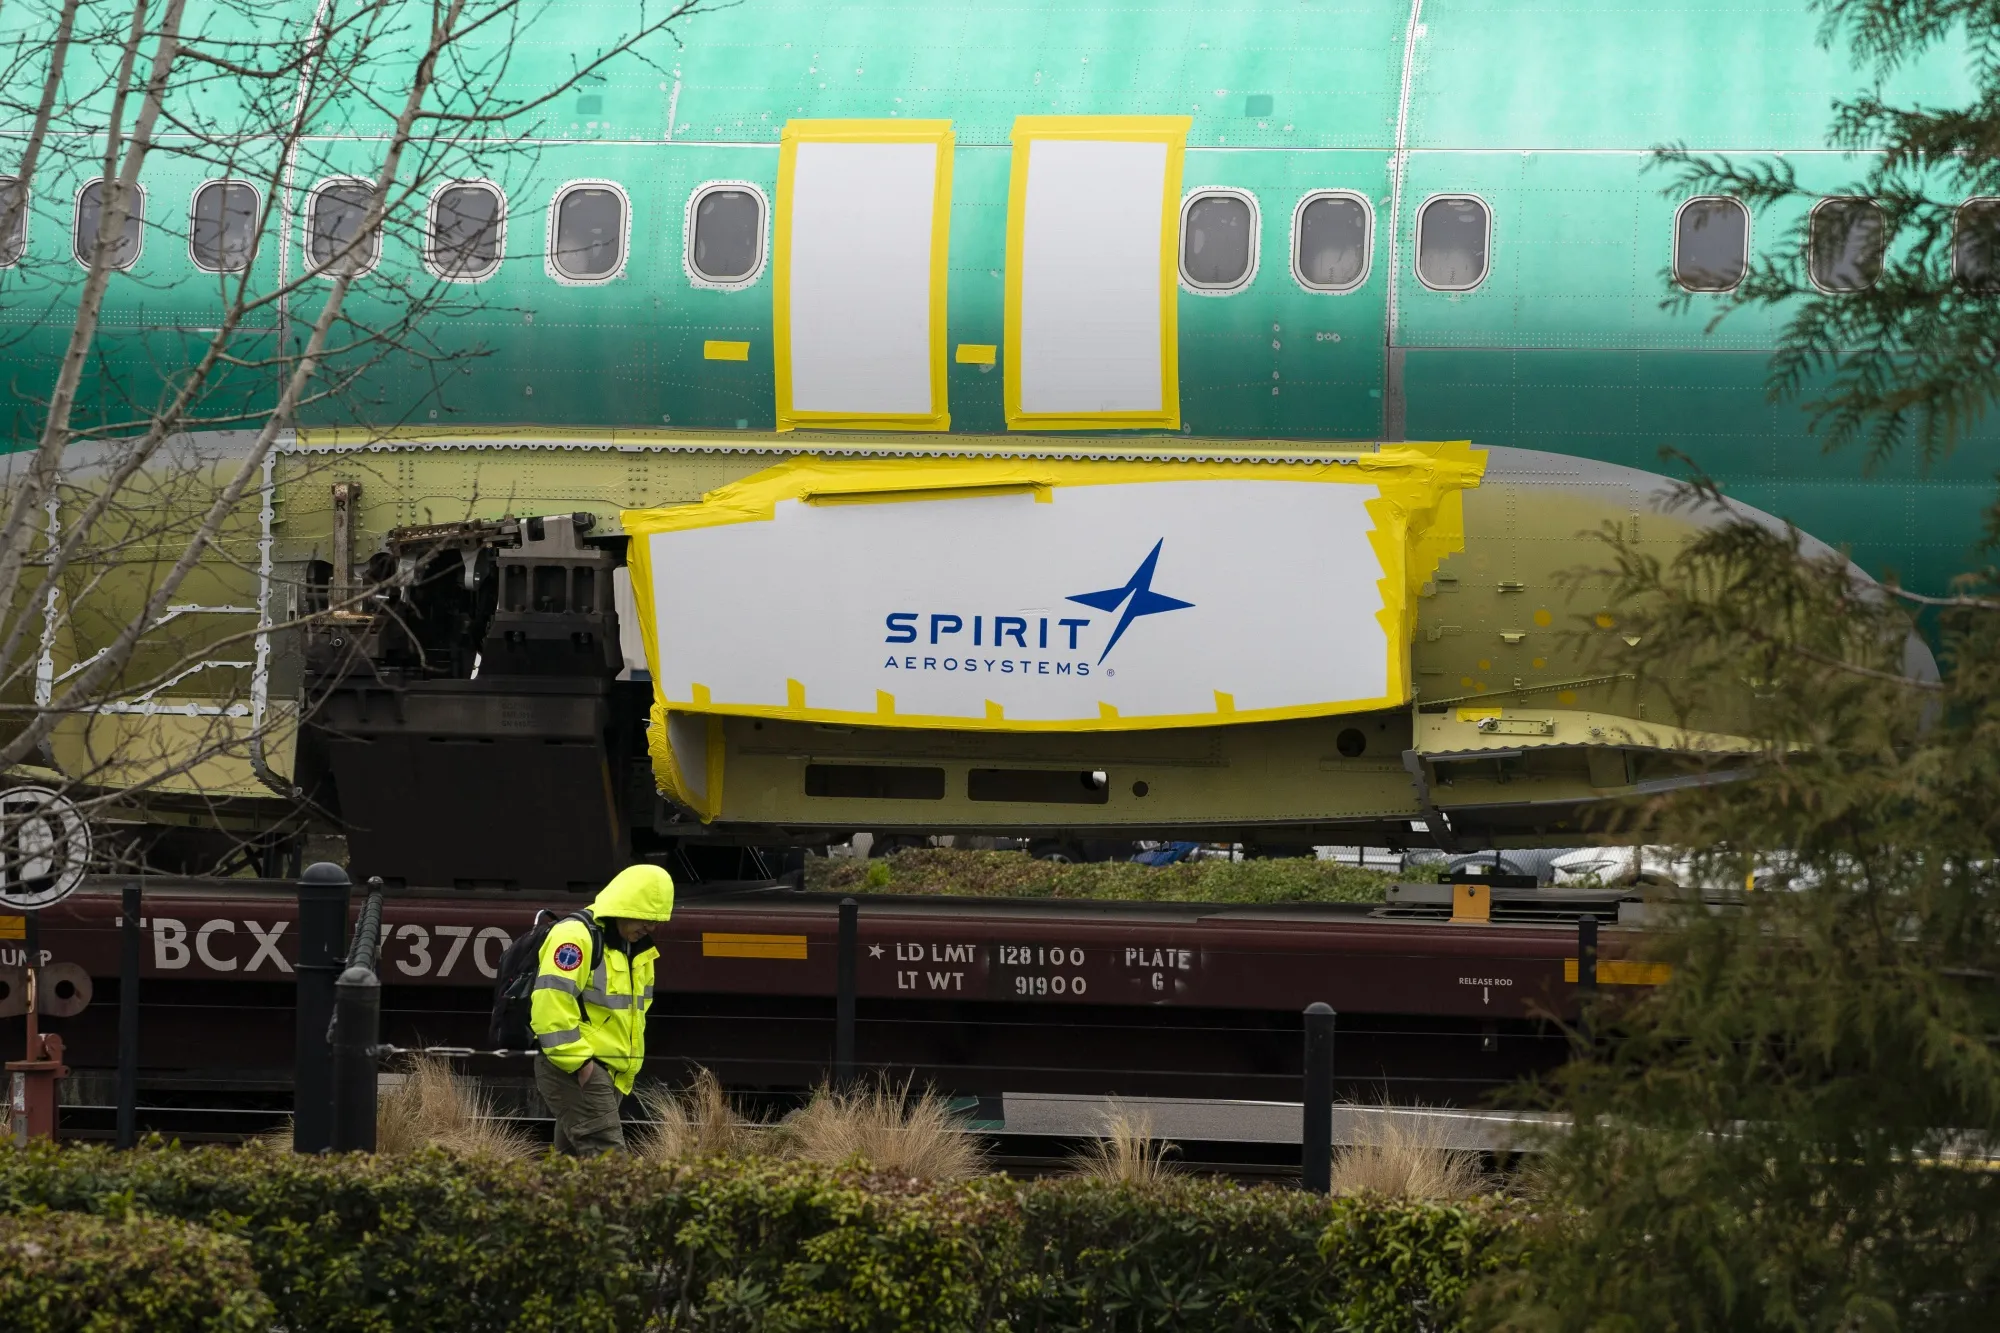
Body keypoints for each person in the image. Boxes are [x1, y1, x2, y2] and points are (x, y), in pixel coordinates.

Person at [530, 863, 674, 1154]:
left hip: (607, 1073)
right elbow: (551, 1005)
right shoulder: (575, 937)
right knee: (610, 1165)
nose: (651, 927)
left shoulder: (638, 949)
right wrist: (582, 1065)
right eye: (646, 918)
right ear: (623, 906)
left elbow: (636, 1014)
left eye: (657, 920)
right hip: (578, 1068)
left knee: (572, 1169)